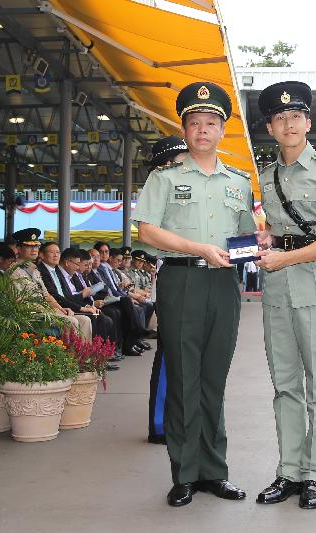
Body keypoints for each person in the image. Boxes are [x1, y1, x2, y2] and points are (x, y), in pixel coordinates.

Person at [134, 81, 256, 507]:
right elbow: (147, 229)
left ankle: (213, 472)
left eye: (211, 123)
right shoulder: (164, 178)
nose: (202, 130)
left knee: (214, 378)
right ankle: (184, 473)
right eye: (194, 123)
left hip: (224, 284)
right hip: (181, 280)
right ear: (184, 130)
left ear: (222, 130)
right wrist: (198, 247)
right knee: (184, 376)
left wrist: (261, 240)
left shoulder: (239, 182)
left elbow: (245, 237)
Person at [254, 81, 316, 510]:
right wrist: (264, 242)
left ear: (308, 123)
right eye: (280, 118)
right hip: (277, 290)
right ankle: (289, 471)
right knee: (285, 387)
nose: (289, 123)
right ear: (271, 128)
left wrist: (284, 258)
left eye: (296, 116)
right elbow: (275, 232)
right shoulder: (265, 175)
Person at [143, 136, 189, 447]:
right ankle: (160, 423)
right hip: (175, 274)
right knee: (169, 352)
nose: (170, 168)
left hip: (210, 277)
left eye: (175, 161)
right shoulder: (158, 189)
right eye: (164, 164)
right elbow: (149, 234)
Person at [8, 228, 91, 340]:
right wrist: (50, 310)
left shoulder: (33, 269)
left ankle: (86, 356)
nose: (34, 250)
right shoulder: (13, 271)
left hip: (45, 312)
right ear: (18, 248)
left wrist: (60, 308)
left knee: (85, 320)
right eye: (29, 246)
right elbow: (20, 302)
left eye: (36, 246)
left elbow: (46, 295)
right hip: (30, 315)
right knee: (70, 321)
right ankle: (69, 357)